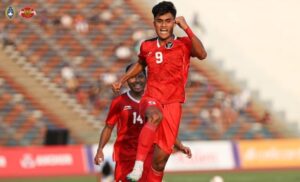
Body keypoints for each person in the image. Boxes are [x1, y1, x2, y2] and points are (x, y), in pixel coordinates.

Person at [112, 1, 206, 181]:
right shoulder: (146, 46)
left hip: (173, 103)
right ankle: (138, 167)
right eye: (159, 21)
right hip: (151, 98)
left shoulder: (184, 44)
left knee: (160, 162)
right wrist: (122, 80)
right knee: (154, 116)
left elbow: (202, 54)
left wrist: (187, 28)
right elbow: (141, 64)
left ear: (173, 22)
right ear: (154, 22)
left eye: (168, 21)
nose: (163, 25)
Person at [95, 64, 191, 182]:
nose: (137, 81)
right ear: (126, 79)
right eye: (132, 77)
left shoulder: (157, 102)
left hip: (149, 155)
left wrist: (180, 145)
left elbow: (164, 128)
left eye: (140, 76)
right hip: (125, 156)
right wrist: (100, 149)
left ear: (146, 78)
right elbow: (108, 127)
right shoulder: (119, 102)